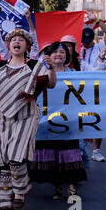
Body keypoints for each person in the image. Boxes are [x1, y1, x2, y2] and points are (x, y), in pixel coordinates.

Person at [0, 28, 56, 210]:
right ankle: (5, 202)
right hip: (2, 116)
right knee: (3, 162)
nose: (17, 42)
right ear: (8, 45)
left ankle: (20, 190)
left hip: (27, 114)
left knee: (15, 157)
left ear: (27, 46)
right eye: (13, 39)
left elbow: (51, 84)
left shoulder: (35, 66)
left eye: (21, 40)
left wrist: (52, 68)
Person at [29, 42, 87, 199]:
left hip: (68, 121)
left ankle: (72, 187)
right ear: (49, 55)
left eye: (62, 52)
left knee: (70, 153)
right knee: (52, 154)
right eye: (54, 52)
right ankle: (57, 188)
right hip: (46, 121)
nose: (58, 54)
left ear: (67, 56)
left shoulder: (75, 73)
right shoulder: (40, 72)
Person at [79, 11, 106, 163]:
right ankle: (81, 148)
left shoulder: (99, 47)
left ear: (93, 38)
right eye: (84, 41)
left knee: (98, 119)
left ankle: (97, 151)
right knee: (80, 120)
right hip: (79, 90)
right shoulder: (77, 49)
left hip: (97, 89)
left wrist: (97, 20)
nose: (86, 44)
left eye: (88, 41)